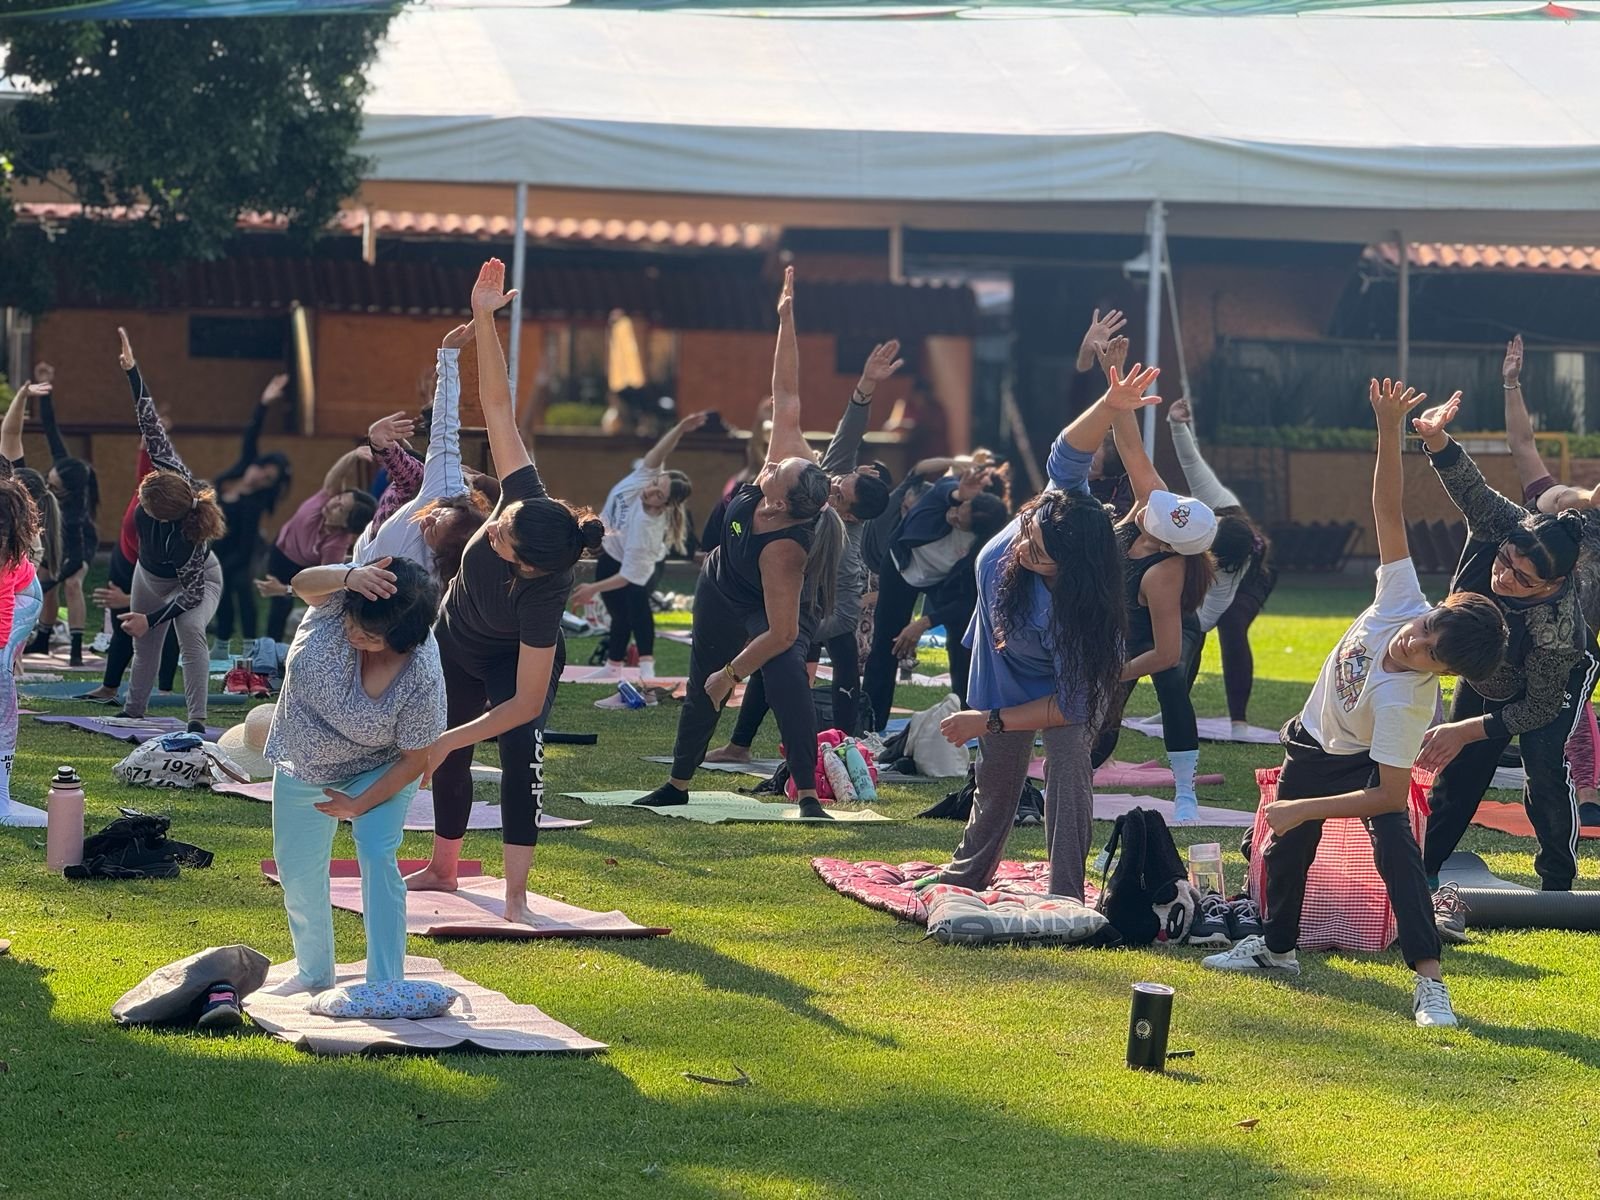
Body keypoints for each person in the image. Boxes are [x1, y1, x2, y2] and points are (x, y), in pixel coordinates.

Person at [1202, 379, 1507, 1029]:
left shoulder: (1408, 703)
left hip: (1369, 761)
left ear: (1444, 671)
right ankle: (1277, 950)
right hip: (1315, 740)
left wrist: (1302, 808)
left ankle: (1430, 984)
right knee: (1285, 850)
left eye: (1429, 651)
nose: (1413, 639)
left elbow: (1389, 796)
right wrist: (1388, 429)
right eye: (1427, 626)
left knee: (1398, 854)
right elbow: (1387, 511)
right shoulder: (1402, 599)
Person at [404, 258, 606, 926]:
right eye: (500, 524)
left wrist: (456, 736)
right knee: (447, 747)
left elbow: (521, 702)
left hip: (510, 662)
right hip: (454, 641)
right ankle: (443, 865)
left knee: (521, 754)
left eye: (501, 542)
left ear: (529, 569)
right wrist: (485, 318)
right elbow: (496, 407)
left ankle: (516, 894)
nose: (489, 531)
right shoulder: (527, 496)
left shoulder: (545, 597)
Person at [932, 364, 1156, 900]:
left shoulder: (1081, 618)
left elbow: (1070, 706)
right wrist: (1109, 406)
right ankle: (966, 875)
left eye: (1038, 554)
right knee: (996, 779)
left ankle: (1065, 892)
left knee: (1069, 769)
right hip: (1002, 670)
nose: (1023, 548)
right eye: (1028, 532)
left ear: (1071, 568)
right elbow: (1069, 451)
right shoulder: (1063, 507)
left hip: (1065, 687)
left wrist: (988, 720)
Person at [632, 266, 845, 817]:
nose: (773, 461)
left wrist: (731, 675)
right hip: (719, 587)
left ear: (783, 501)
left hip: (765, 608)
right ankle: (677, 783)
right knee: (700, 682)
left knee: (787, 682)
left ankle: (806, 793)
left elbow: (783, 632)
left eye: (779, 469)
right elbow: (786, 390)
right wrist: (786, 319)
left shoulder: (786, 551)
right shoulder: (781, 472)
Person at [1409, 387, 1596, 904]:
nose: (1503, 578)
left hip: (1550, 682)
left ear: (1552, 585)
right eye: (1504, 562)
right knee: (1460, 768)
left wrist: (1468, 728)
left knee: (1542, 760)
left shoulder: (1560, 627)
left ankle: (1557, 882)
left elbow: (1537, 709)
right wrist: (1437, 439)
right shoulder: (1504, 524)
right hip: (1487, 664)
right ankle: (1423, 868)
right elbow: (1468, 484)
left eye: (1522, 579)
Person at [703, 340, 898, 753]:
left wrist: (797, 628)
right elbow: (847, 435)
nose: (832, 484)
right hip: (801, 596)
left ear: (851, 516)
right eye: (839, 480)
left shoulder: (845, 547)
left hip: (826, 611)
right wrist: (866, 385)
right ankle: (740, 746)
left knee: (823, 662)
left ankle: (844, 745)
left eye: (839, 493)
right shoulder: (826, 483)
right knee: (774, 657)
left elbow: (845, 615)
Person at [266, 555, 446, 991]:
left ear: (403, 642)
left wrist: (359, 804)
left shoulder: (421, 674)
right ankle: (313, 973)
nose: (354, 634)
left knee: (377, 852)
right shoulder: (349, 594)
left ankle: (385, 981)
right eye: (353, 623)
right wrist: (348, 576)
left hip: (381, 767)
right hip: (305, 761)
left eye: (369, 636)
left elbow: (414, 760)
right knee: (297, 869)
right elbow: (301, 583)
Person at [1089, 337, 1218, 822]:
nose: (1144, 507)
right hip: (1125, 625)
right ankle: (1077, 773)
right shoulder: (1156, 502)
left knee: (1170, 688)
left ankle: (1185, 792)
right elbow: (1130, 444)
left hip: (1163, 636)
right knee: (1100, 716)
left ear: (1167, 543)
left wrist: (1113, 673)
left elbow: (1163, 653)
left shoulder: (1166, 572)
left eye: (1151, 513)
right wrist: (1115, 384)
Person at [1496, 334, 1600, 817]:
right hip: (1526, 632)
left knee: (1569, 710)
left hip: (1573, 644)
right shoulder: (1552, 517)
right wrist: (1511, 384)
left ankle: (1588, 794)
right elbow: (1522, 444)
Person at [113, 328, 227, 732]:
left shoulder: (188, 537)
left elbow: (191, 594)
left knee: (190, 631)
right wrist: (132, 370)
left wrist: (153, 617)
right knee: (144, 643)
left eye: (144, 504)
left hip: (197, 581)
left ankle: (197, 719)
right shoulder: (170, 471)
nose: (139, 501)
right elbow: (149, 420)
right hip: (149, 575)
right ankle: (133, 710)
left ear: (163, 517)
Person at [862, 456, 1009, 726]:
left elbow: (965, 602)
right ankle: (870, 721)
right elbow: (944, 489)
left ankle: (969, 715)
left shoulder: (984, 548)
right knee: (886, 642)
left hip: (942, 581)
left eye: (961, 520)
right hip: (901, 567)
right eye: (959, 507)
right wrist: (958, 495)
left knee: (963, 641)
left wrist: (924, 623)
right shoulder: (944, 498)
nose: (954, 515)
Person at [350, 323, 498, 587]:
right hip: (364, 553)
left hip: (378, 587)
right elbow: (444, 429)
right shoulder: (444, 487)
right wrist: (449, 355)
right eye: (438, 515)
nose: (428, 518)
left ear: (445, 555)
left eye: (434, 528)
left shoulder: (443, 583)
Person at [1167, 395, 1278, 736]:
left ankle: (1238, 721)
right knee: (1190, 630)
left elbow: (1205, 619)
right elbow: (1191, 461)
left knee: (1231, 625)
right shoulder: (1215, 502)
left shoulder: (1230, 571)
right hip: (1223, 558)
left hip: (1257, 576)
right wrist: (1176, 423)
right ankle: (1176, 701)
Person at [572, 409, 708, 684]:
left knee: (636, 603)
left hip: (642, 564)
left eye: (659, 494)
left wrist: (592, 589)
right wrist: (681, 428)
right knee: (618, 613)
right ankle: (613, 665)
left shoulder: (648, 528)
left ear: (666, 504)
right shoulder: (643, 479)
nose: (650, 491)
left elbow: (628, 577)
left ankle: (647, 665)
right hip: (613, 552)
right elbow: (658, 453)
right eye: (655, 484)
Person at [16, 364, 98, 666]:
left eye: (54, 484)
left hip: (78, 548)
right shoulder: (63, 464)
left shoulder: (75, 514)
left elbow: (73, 561)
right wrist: (46, 389)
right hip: (54, 539)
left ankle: (76, 646)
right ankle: (43, 637)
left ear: (67, 489)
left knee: (72, 584)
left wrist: (54, 581)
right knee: (45, 582)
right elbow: (51, 428)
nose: (49, 484)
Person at [256, 446, 377, 643]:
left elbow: (324, 585)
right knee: (278, 608)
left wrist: (284, 589)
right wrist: (354, 455)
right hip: (280, 550)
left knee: (285, 604)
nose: (334, 503)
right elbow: (336, 475)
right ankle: (269, 647)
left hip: (301, 566)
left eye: (340, 509)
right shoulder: (324, 498)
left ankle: (282, 649)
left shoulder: (336, 545)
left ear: (347, 524)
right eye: (339, 498)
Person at [211, 373, 293, 652]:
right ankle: (221, 640)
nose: (261, 477)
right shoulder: (234, 474)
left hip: (242, 552)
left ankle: (248, 646)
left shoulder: (253, 504)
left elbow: (245, 545)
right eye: (263, 470)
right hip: (217, 545)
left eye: (268, 479)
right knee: (218, 588)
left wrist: (226, 566)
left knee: (238, 585)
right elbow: (251, 434)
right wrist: (264, 403)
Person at [0, 465, 42, 827]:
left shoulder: (5, 554)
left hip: (23, 599)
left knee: (1, 684)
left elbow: (4, 608)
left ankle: (1, 798)